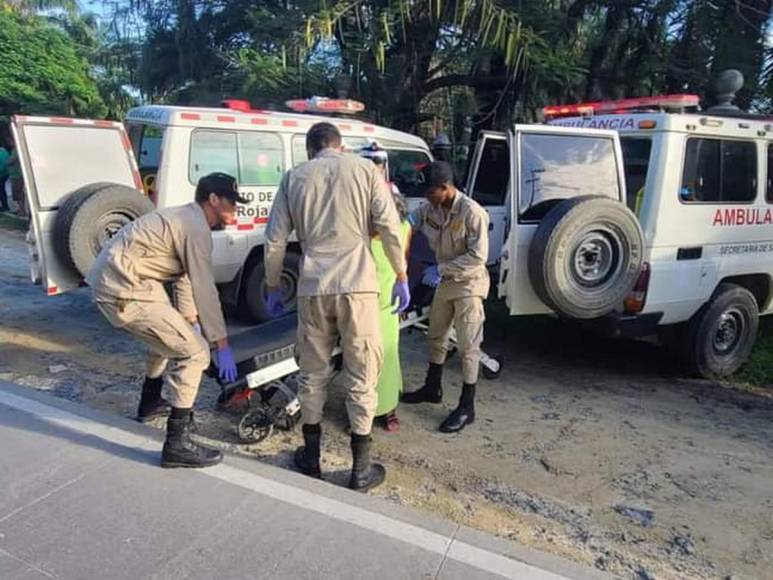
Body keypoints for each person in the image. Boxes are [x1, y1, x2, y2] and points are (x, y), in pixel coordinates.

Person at [264, 122, 410, 492]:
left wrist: (271, 285)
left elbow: (274, 241)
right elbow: (390, 226)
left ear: (311, 149)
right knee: (363, 372)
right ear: (339, 146)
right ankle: (360, 469)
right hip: (358, 287)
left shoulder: (293, 177)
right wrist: (401, 274)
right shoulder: (364, 170)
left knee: (312, 373)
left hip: (313, 287)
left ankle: (311, 458)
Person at [86, 172, 244, 469]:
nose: (236, 209)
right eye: (231, 202)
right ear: (213, 199)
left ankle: (150, 402)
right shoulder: (195, 227)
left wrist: (191, 320)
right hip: (125, 288)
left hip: (127, 282)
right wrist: (220, 343)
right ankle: (176, 445)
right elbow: (205, 288)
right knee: (195, 352)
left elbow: (184, 278)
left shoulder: (187, 218)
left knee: (172, 336)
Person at [401, 161, 489, 434]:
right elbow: (409, 222)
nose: (427, 198)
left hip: (468, 285)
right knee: (436, 336)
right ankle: (432, 387)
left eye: (430, 193)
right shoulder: (432, 208)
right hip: (444, 285)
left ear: (445, 187)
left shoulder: (472, 212)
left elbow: (478, 257)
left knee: (467, 347)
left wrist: (441, 268)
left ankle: (467, 406)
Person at [359, 142, 412, 432]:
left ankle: (387, 407)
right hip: (364, 297)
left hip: (385, 296)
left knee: (385, 355)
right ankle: (369, 409)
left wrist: (402, 283)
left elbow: (402, 253)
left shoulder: (388, 198)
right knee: (368, 357)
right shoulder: (357, 196)